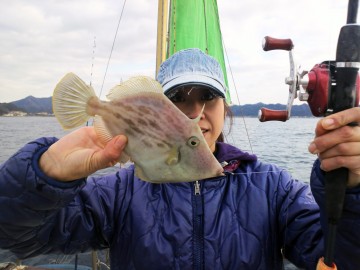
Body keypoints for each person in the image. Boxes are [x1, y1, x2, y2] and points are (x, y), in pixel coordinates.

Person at [0, 48, 360, 270]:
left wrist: (353, 190)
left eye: (208, 97)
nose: (195, 113)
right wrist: (45, 177)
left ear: (225, 108)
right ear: (158, 107)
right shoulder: (121, 189)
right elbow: (20, 237)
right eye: (178, 99)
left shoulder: (271, 187)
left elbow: (339, 258)